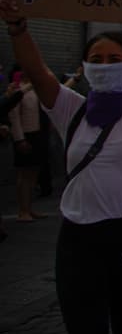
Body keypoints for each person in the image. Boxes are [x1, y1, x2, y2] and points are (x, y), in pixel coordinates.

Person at [1, 0, 122, 334]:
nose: (105, 64)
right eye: (97, 59)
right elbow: (38, 73)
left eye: (114, 58)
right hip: (79, 241)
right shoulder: (69, 108)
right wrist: (17, 27)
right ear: (85, 67)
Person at [7, 68, 46, 221]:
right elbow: (14, 116)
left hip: (38, 133)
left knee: (34, 173)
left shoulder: (36, 88)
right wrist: (19, 139)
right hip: (25, 134)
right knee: (24, 174)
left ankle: (30, 208)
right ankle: (23, 210)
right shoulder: (17, 88)